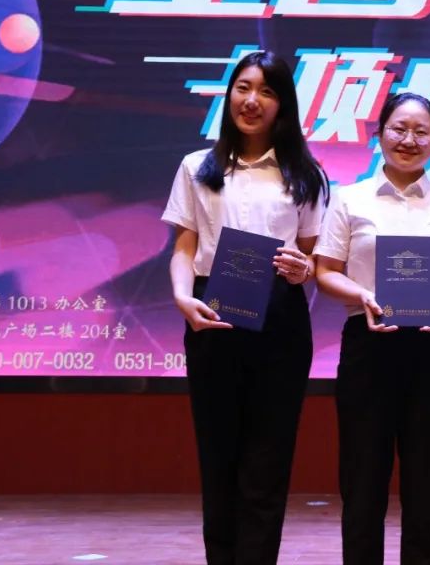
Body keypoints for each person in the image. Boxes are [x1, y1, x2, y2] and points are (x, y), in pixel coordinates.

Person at [162, 50, 329, 565]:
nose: (252, 101)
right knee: (218, 456)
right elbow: (185, 247)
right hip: (211, 310)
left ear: (283, 106)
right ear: (229, 94)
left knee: (268, 460)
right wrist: (182, 297)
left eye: (267, 91)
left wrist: (303, 269)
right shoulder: (197, 167)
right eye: (243, 87)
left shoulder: (305, 174)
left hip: (279, 316)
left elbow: (312, 256)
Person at [314, 92, 430, 565]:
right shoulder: (350, 198)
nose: (409, 140)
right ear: (380, 133)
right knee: (362, 474)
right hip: (369, 343)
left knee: (426, 475)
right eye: (399, 128)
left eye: (421, 131)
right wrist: (362, 295)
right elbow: (325, 270)